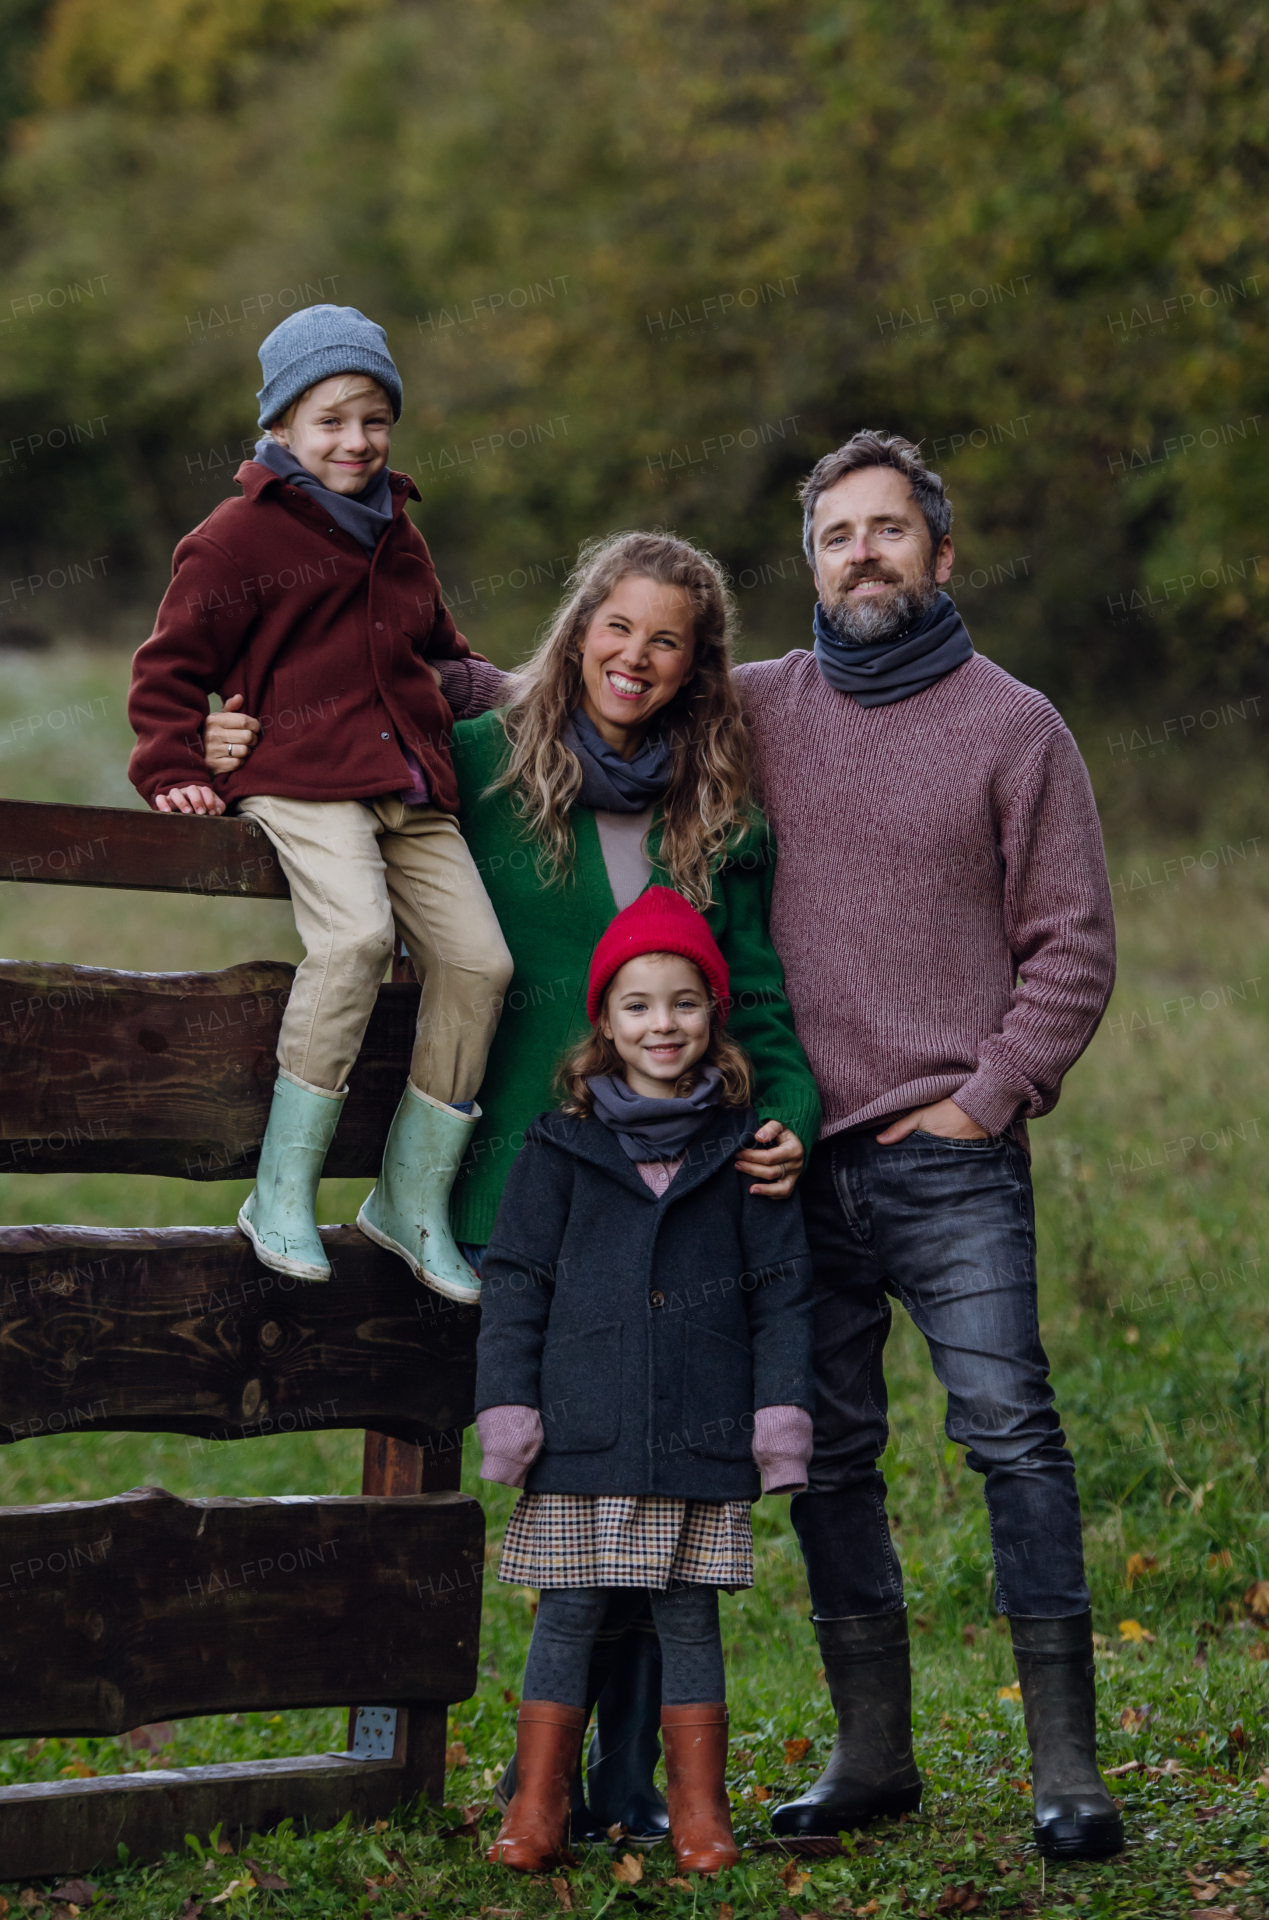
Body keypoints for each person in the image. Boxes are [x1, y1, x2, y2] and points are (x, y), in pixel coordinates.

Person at [201, 527, 821, 1836]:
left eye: (667, 638)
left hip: (682, 1206)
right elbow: (336, 769)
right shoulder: (476, 765)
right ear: (578, 626)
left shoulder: (722, 821)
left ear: (699, 665)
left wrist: (795, 1120)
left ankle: (632, 1786)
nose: (635, 657)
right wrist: (216, 737)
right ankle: (508, 1776)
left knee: (663, 1493)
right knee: (563, 1491)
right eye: (617, 626)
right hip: (518, 1200)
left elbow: (755, 1003)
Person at [732, 431, 1121, 1861]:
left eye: (889, 531)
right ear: (812, 563)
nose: (863, 556)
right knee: (829, 1456)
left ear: (940, 556)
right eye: (838, 536)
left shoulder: (1017, 728)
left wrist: (988, 1094)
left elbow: (1072, 946)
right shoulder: (754, 708)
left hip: (947, 1158)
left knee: (1012, 1437)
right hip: (789, 1166)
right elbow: (582, 691)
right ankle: (874, 1756)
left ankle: (1068, 1773)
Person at [128, 303, 512, 1296]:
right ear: (283, 427)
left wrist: (541, 699)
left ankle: (407, 1200)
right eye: (331, 419)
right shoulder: (235, 539)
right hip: (300, 779)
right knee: (351, 941)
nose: (355, 441)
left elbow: (445, 659)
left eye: (373, 418)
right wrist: (174, 760)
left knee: (481, 961)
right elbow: (170, 670)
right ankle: (281, 1187)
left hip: (409, 787)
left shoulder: (400, 534)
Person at [475, 889, 814, 1874]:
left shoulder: (740, 1149)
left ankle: (698, 1811)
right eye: (637, 1005)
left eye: (682, 1004)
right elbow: (515, 1280)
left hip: (699, 1427)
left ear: (712, 1015)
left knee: (685, 1615)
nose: (660, 1025)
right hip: (583, 1426)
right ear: (604, 1022)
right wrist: (508, 1405)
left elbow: (781, 1291)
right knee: (570, 1609)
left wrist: (776, 1417)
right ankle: (537, 1805)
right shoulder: (556, 1148)